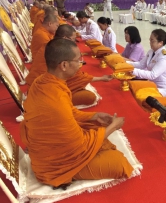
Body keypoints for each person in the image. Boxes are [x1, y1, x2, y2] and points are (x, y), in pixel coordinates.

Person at [20, 38, 133, 187]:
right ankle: (69, 173)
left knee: (95, 127)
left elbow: (70, 112)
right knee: (120, 163)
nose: (81, 64)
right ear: (64, 65)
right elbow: (79, 145)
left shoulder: (43, 81)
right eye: (78, 60)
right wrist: (112, 128)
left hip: (48, 147)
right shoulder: (56, 98)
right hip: (54, 166)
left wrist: (94, 115)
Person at [26, 24, 112, 106]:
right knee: (90, 97)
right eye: (73, 39)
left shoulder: (51, 45)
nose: (75, 41)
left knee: (81, 86)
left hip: (39, 85)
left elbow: (75, 75)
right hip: (46, 92)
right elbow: (73, 76)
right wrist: (101, 78)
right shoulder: (58, 50)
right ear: (65, 38)